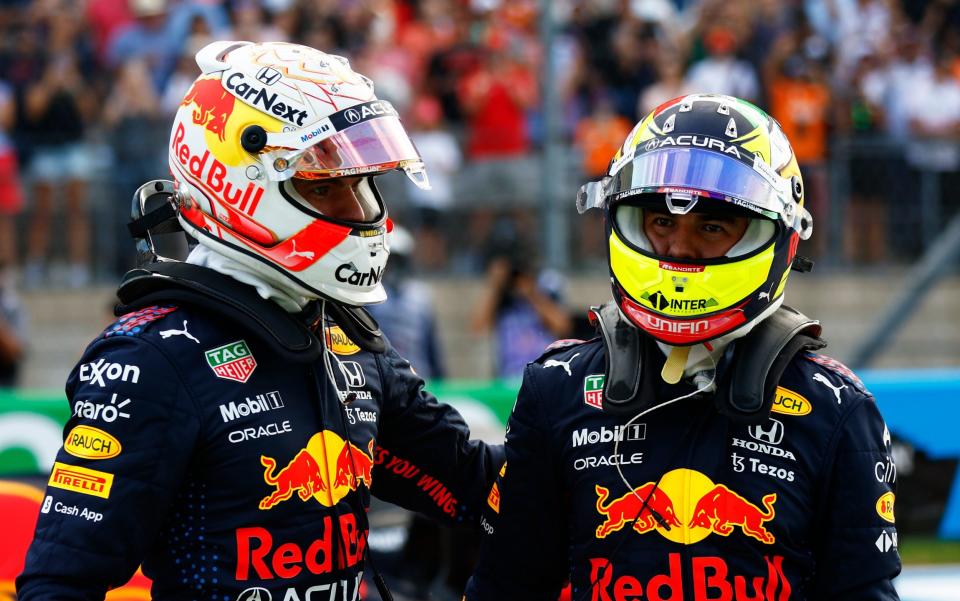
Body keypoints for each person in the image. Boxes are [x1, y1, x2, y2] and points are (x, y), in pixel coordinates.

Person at [17, 40, 502, 601]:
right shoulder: (150, 359)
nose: (358, 209)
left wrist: (595, 437)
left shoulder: (340, 334)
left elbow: (473, 483)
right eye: (326, 186)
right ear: (240, 185)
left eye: (360, 184)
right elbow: (61, 583)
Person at [465, 94, 901, 600]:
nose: (679, 248)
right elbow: (504, 589)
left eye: (712, 227)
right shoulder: (555, 388)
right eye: (662, 222)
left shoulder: (838, 410)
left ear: (780, 238)